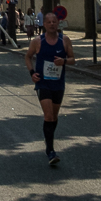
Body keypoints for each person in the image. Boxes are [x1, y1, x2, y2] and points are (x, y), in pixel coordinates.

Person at [25, 12, 75, 166]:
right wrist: (32, 73)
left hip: (58, 83)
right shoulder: (37, 41)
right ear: (44, 24)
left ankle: (48, 140)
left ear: (58, 23)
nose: (52, 24)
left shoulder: (64, 40)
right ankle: (51, 150)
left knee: (53, 117)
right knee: (48, 115)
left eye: (55, 21)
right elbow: (27, 56)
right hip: (43, 83)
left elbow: (73, 60)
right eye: (49, 22)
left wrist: (64, 61)